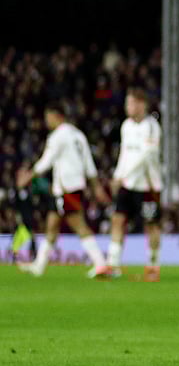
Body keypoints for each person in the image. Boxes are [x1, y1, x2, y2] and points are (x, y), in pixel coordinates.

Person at [16, 103, 110, 278]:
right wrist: (95, 185)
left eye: (47, 117)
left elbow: (46, 161)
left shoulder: (58, 136)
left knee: (78, 224)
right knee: (52, 225)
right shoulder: (78, 134)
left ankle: (100, 263)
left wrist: (28, 177)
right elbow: (89, 164)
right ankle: (39, 266)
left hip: (67, 188)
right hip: (72, 187)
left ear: (56, 115)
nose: (46, 121)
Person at [105, 88, 163, 281]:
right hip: (127, 184)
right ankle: (113, 265)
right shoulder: (126, 126)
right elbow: (124, 154)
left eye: (130, 103)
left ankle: (153, 266)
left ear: (141, 104)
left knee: (151, 225)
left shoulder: (151, 126)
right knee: (117, 220)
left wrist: (124, 175)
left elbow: (146, 156)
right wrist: (117, 176)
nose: (127, 107)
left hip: (148, 186)